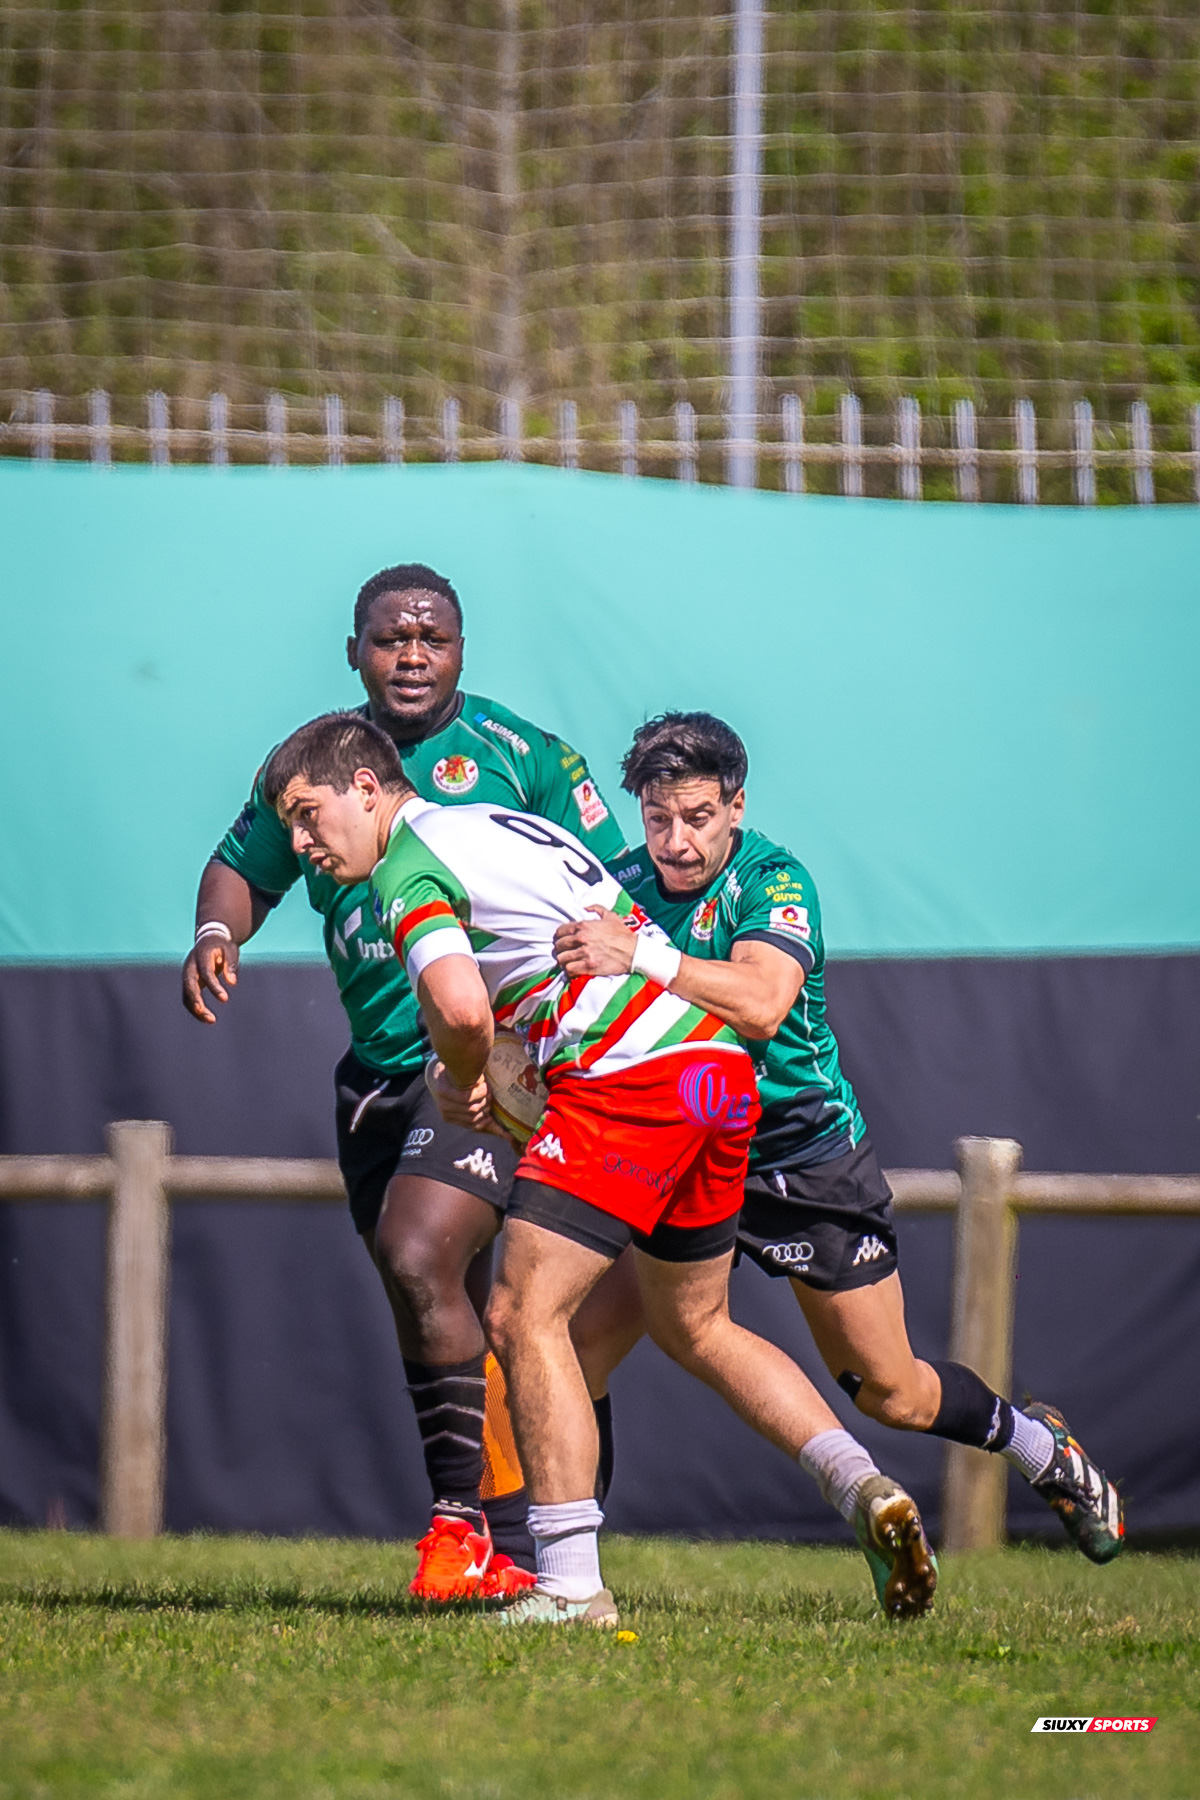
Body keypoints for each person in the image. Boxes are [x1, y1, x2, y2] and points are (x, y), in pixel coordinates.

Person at [265, 709, 940, 1628]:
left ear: (366, 788)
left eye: (308, 815)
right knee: (696, 1325)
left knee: (522, 1314)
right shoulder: (502, 823)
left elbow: (460, 1011)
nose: (301, 844)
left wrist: (461, 1079)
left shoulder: (406, 865)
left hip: (628, 1077)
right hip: (714, 1072)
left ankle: (571, 1586)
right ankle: (865, 1489)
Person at [554, 711, 1124, 1566]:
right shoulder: (622, 883)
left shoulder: (774, 880)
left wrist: (639, 956)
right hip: (681, 1150)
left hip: (797, 1154)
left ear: (737, 806)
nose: (676, 841)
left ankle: (1041, 1448)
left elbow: (761, 1002)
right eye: (658, 818)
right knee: (576, 1343)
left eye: (698, 817)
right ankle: (565, 1572)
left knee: (890, 1392)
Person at [180, 562, 629, 1601]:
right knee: (435, 1297)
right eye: (391, 639)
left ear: (463, 651)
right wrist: (214, 931)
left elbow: (619, 886)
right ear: (356, 653)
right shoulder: (318, 767)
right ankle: (513, 1537)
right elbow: (241, 868)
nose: (413, 655)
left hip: (492, 1067)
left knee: (446, 1266)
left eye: (434, 638)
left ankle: (483, 1530)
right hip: (379, 1077)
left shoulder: (524, 755)